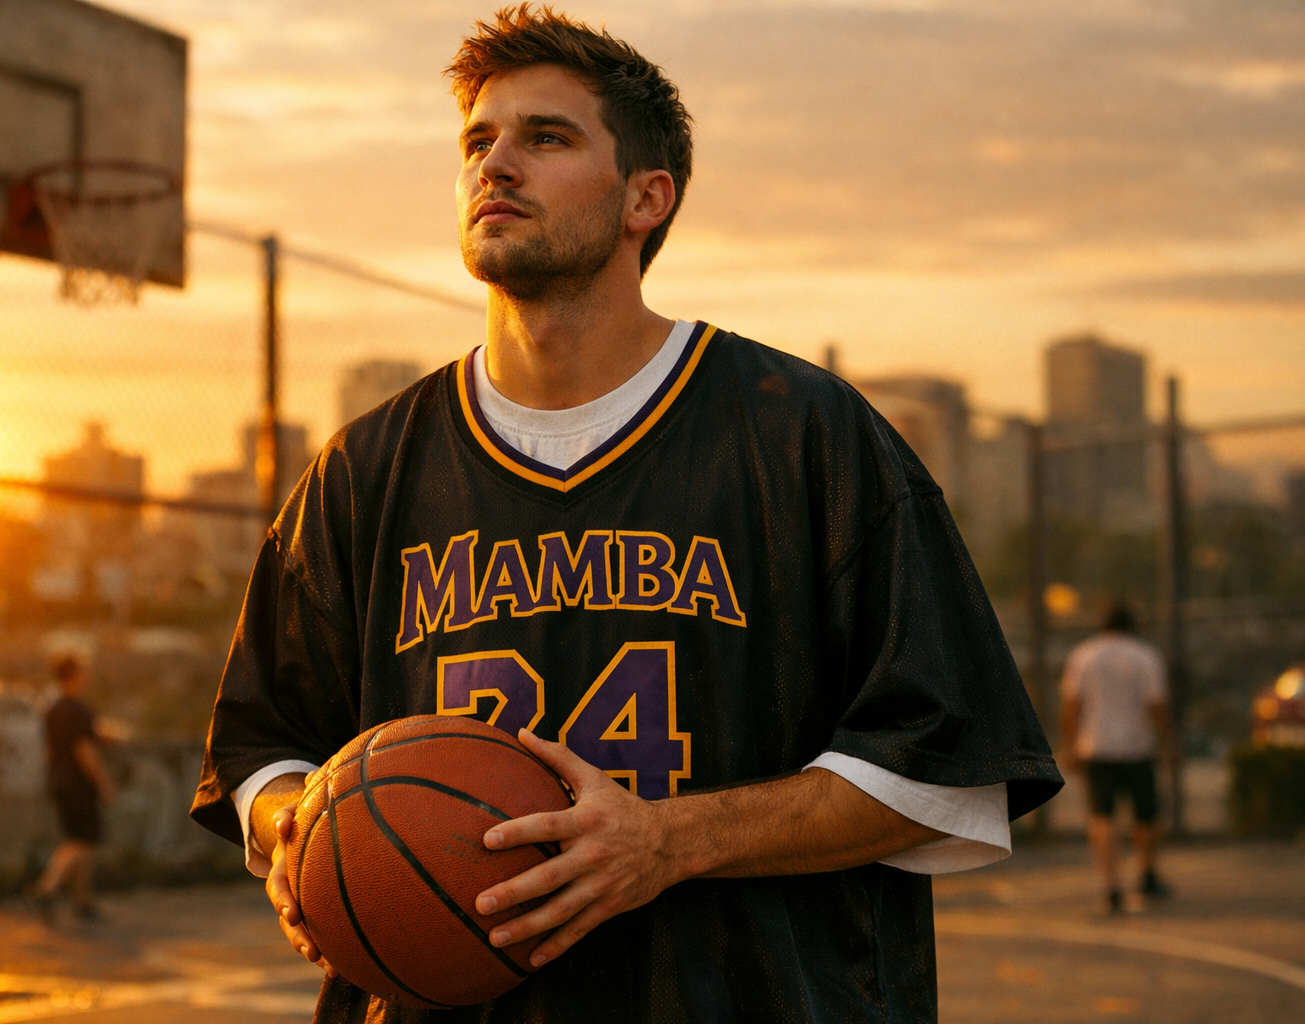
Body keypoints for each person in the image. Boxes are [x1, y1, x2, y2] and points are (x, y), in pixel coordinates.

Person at [190, 7, 1061, 1021]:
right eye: (478, 141)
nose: (496, 164)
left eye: (545, 138)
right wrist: (312, 833)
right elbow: (261, 747)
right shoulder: (364, 468)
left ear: (650, 197)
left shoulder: (807, 436)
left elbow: (947, 760)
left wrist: (669, 839)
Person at [1060, 602, 1176, 914]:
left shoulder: (1083, 655)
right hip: (1138, 747)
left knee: (1102, 816)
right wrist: (1167, 742)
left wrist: (1069, 745)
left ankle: (1111, 887)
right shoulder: (1145, 655)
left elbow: (1073, 703)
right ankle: (1147, 873)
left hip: (1096, 747)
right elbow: (1156, 704)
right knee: (1146, 814)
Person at [31, 655, 116, 922]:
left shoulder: (52, 708)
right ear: (75, 674)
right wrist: (103, 783)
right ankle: (46, 887)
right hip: (79, 784)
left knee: (82, 841)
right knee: (81, 842)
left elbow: (53, 747)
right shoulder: (78, 709)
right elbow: (83, 750)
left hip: (59, 780)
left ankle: (83, 902)